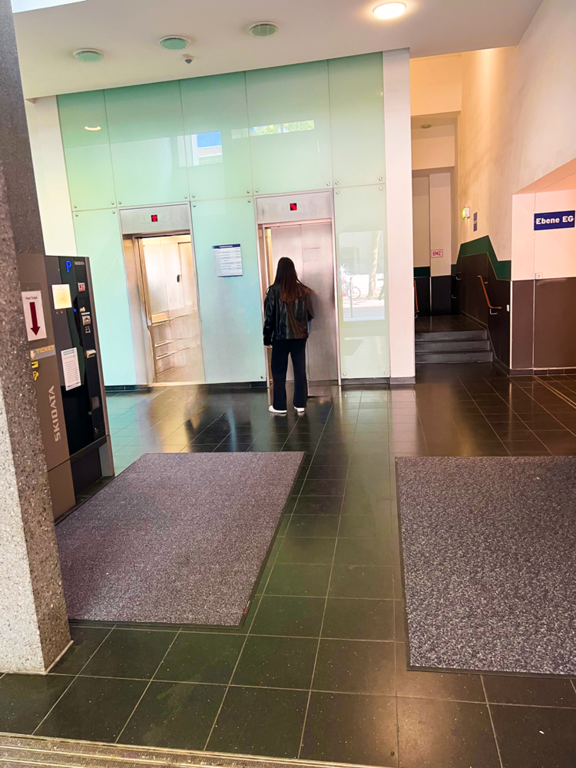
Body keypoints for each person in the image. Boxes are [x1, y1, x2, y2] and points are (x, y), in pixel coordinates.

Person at [263, 257, 314, 415]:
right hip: (299, 336)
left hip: (280, 337)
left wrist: (267, 337)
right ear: (293, 271)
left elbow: (269, 317)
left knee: (278, 370)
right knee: (299, 369)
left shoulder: (273, 291)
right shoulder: (303, 290)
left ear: (279, 271)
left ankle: (280, 406)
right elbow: (310, 314)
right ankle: (300, 404)